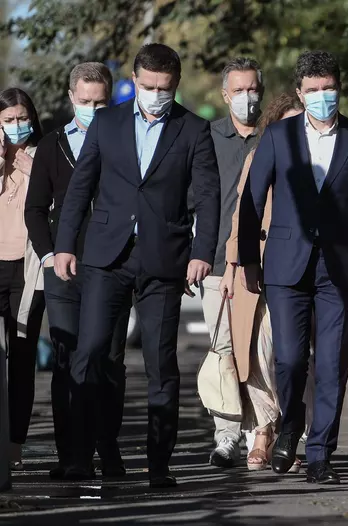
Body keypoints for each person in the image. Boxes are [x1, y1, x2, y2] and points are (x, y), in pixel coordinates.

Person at [53, 43, 221, 488]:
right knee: (89, 352)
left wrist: (202, 252)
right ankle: (84, 454)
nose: (155, 95)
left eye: (164, 88)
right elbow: (80, 187)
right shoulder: (106, 123)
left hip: (163, 261)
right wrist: (66, 244)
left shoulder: (193, 130)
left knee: (160, 364)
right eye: (147, 86)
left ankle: (159, 464)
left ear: (176, 86)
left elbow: (207, 195)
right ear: (135, 79)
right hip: (106, 257)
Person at [237, 50, 348, 484]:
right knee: (290, 360)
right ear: (299, 93)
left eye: (328, 89)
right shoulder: (278, 137)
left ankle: (320, 453)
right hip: (286, 266)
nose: (321, 96)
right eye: (312, 91)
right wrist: (249, 263)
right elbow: (252, 204)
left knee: (331, 364)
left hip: (339, 267)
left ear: (338, 89)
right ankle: (289, 426)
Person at [25, 62, 131, 479]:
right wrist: (50, 255)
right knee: (68, 357)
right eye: (85, 101)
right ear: (71, 98)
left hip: (115, 264)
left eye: (100, 102)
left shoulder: (126, 142)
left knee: (109, 359)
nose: (92, 108)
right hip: (64, 269)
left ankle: (107, 446)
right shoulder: (52, 146)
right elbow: (36, 209)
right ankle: (71, 452)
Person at [221, 92, 310, 472]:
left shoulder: (319, 160)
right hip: (254, 270)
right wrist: (231, 267)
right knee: (254, 353)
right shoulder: (259, 157)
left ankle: (292, 425)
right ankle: (263, 429)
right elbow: (242, 212)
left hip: (299, 272)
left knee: (288, 356)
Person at [203, 57, 264, 469]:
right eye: (238, 91)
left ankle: (260, 432)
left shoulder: (276, 137)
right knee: (223, 351)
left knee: (259, 354)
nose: (247, 98)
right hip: (215, 267)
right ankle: (227, 438)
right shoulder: (207, 140)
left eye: (253, 89)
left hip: (264, 265)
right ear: (225, 95)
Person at [0, 88, 45, 471]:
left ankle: (15, 443)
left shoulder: (45, 156)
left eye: (22, 118)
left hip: (28, 270)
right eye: (8, 120)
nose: (17, 126)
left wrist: (31, 164)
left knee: (22, 357)